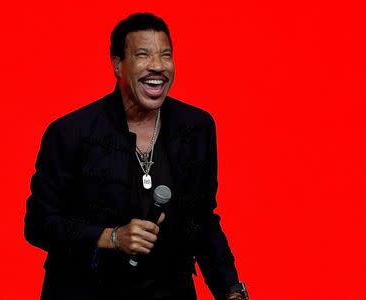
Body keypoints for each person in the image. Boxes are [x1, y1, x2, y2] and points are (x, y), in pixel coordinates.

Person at [24, 12, 248, 300]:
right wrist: (112, 237)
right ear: (118, 65)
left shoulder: (196, 127)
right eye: (143, 55)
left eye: (165, 55)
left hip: (169, 290)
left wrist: (230, 290)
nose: (157, 66)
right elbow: (38, 223)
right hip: (87, 290)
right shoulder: (70, 132)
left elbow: (201, 220)